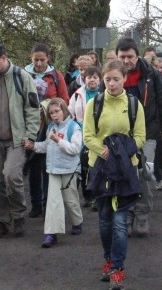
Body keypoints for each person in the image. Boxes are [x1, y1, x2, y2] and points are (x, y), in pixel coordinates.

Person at [83, 60, 146, 290]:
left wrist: (122, 151)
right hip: (99, 169)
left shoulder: (133, 104)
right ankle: (109, 260)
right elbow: (87, 136)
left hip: (125, 171)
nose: (111, 84)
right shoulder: (94, 104)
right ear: (102, 80)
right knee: (104, 221)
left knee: (120, 222)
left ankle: (118, 269)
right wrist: (105, 151)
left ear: (124, 79)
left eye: (116, 79)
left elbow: (140, 136)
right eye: (107, 79)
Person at [0, 44, 40, 238]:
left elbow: (32, 108)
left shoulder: (22, 77)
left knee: (12, 176)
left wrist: (30, 135)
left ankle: (19, 215)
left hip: (17, 139)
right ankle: (2, 220)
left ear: (3, 57)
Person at [116, 37, 162, 237]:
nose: (126, 61)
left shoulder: (151, 74)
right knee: (125, 172)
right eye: (122, 57)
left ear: (137, 55)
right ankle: (128, 212)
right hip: (120, 133)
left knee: (144, 173)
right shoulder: (112, 75)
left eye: (130, 56)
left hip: (148, 131)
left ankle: (141, 214)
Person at [28, 98, 83, 248]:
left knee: (70, 200)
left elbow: (75, 149)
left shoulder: (74, 127)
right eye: (51, 113)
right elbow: (46, 146)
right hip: (53, 170)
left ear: (64, 110)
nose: (54, 115)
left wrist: (58, 141)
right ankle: (51, 234)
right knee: (53, 202)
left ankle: (77, 221)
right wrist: (33, 146)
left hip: (69, 170)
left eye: (57, 111)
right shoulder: (51, 127)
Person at [24, 43, 69, 218]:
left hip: (50, 125)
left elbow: (64, 99)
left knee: (48, 165)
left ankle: (48, 202)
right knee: (33, 165)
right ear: (31, 59)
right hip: (30, 125)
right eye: (36, 60)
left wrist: (51, 107)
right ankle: (35, 204)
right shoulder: (24, 74)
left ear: (48, 58)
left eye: (42, 60)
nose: (40, 64)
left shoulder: (55, 75)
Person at [68, 66, 103, 208]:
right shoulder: (77, 94)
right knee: (84, 165)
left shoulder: (105, 94)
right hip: (81, 133)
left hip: (100, 132)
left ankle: (98, 195)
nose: (92, 80)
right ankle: (87, 196)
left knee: (98, 163)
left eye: (95, 77)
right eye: (89, 77)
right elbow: (70, 113)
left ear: (100, 80)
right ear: (84, 79)